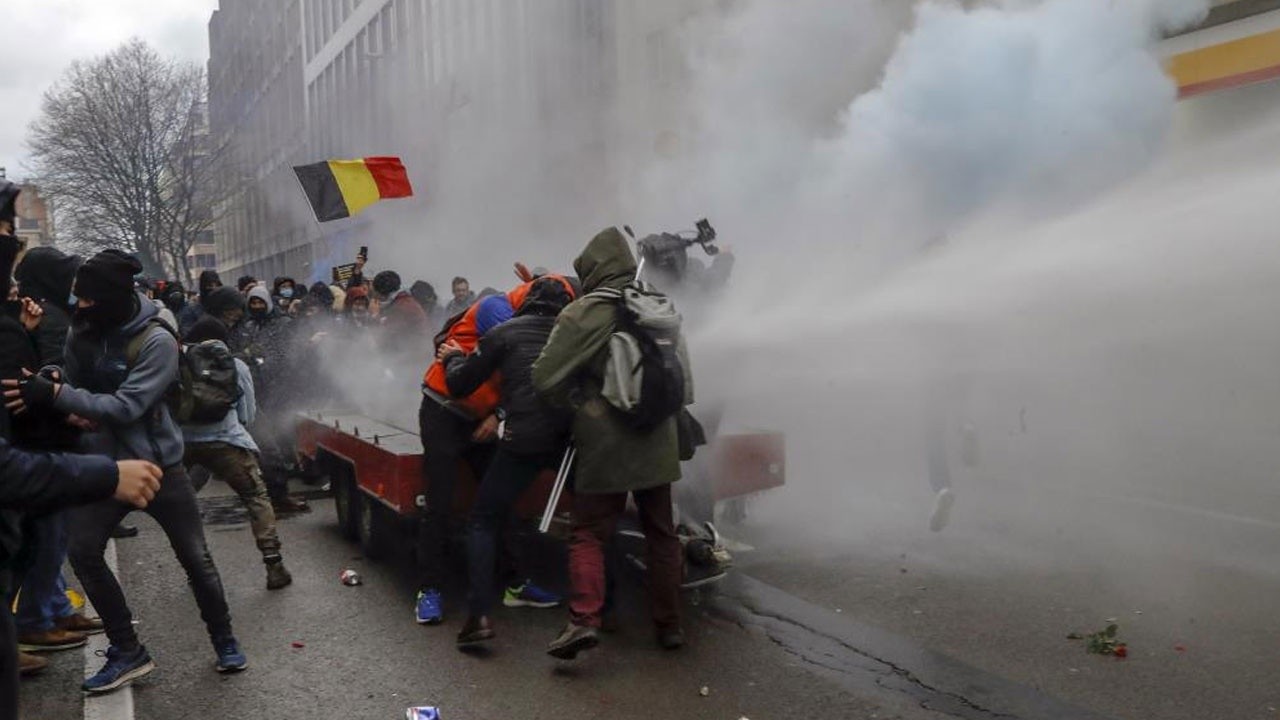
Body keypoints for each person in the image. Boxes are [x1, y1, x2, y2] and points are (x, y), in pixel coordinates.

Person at [6, 250, 248, 693]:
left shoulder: (157, 340)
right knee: (83, 551)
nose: (78, 307)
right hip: (107, 467)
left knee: (197, 560)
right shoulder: (84, 325)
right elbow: (74, 376)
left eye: (87, 301)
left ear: (112, 299)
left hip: (161, 468)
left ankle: (224, 639)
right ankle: (126, 649)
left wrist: (58, 397)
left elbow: (127, 406)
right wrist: (48, 378)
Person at [533, 228, 689, 659]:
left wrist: (581, 404)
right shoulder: (657, 306)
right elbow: (684, 383)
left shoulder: (584, 313)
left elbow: (543, 378)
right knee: (662, 533)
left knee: (587, 533)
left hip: (605, 442)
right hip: (658, 436)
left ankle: (584, 620)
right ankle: (670, 625)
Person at [414, 280, 568, 625]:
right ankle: (429, 589)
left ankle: (515, 584)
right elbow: (519, 369)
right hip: (443, 411)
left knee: (501, 502)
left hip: (482, 416)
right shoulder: (495, 310)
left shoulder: (532, 313)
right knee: (439, 502)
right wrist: (498, 414)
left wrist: (495, 415)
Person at [10, 246, 105, 659]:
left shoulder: (43, 315)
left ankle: (56, 609)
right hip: (44, 441)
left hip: (47, 440)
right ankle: (34, 620)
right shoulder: (46, 320)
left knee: (52, 537)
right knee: (47, 537)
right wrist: (72, 413)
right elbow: (43, 378)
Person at [181, 316, 293, 590]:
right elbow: (248, 414)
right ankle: (273, 564)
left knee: (183, 506)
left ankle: (197, 570)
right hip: (228, 443)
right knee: (255, 497)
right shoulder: (236, 365)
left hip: (184, 446)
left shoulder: (179, 363)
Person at [241, 286, 308, 515]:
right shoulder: (248, 326)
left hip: (281, 388)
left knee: (281, 435)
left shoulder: (284, 324)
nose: (257, 307)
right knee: (267, 445)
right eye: (253, 303)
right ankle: (274, 493)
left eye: (261, 302)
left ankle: (284, 482)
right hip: (256, 391)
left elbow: (290, 356)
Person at [372, 270, 427, 358]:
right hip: (412, 352)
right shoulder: (403, 301)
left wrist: (375, 316)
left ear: (383, 292)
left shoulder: (402, 306)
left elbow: (386, 333)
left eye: (376, 293)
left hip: (411, 356)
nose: (375, 297)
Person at [178, 270, 221, 336]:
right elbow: (187, 333)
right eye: (209, 285)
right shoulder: (191, 310)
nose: (214, 289)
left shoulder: (224, 308)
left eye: (216, 285)